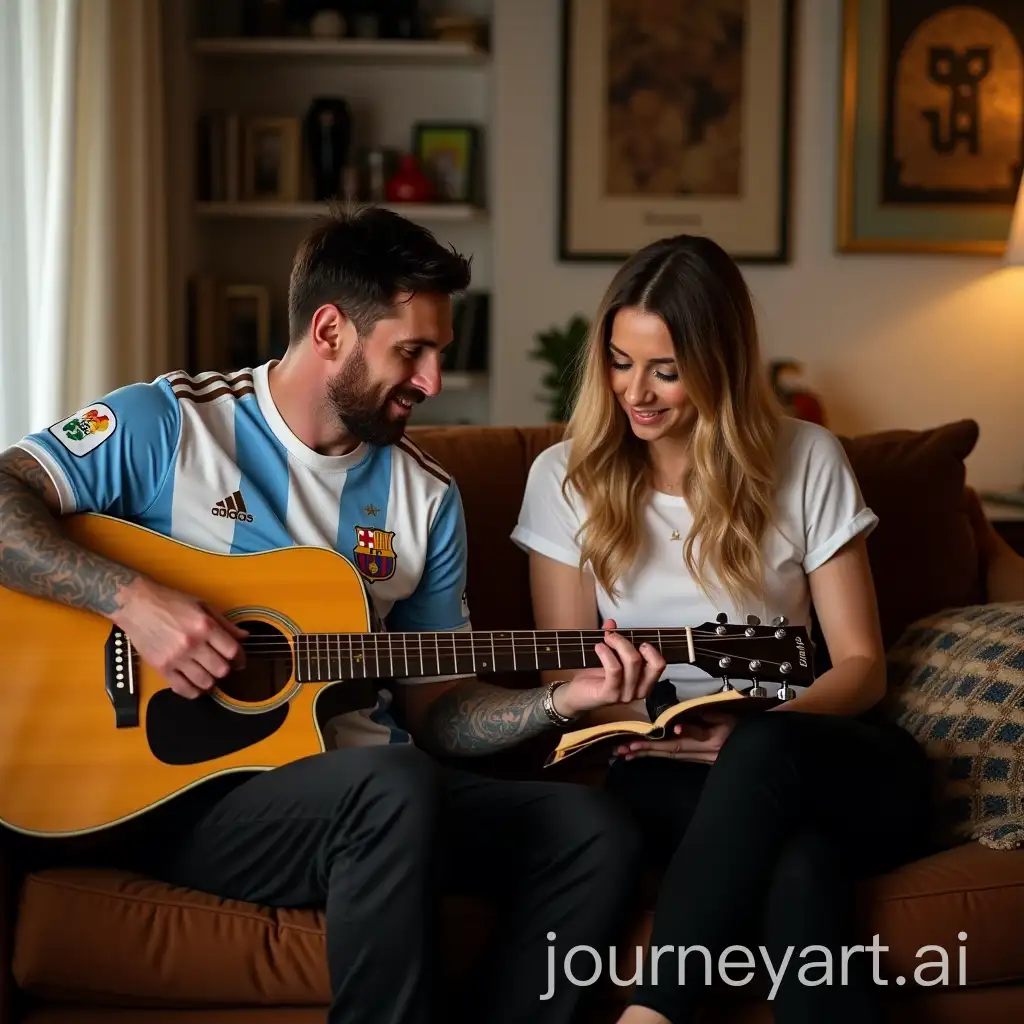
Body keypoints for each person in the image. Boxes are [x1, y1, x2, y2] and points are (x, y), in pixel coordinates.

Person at [0, 205, 644, 1024]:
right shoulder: (168, 425)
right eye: (411, 351)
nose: (432, 382)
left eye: (440, 353)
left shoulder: (426, 498)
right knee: (393, 785)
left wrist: (558, 701)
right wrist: (134, 601)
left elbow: (439, 713)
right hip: (188, 796)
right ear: (331, 330)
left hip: (376, 791)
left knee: (593, 827)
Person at [510, 234, 934, 1024]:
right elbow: (559, 680)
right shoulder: (562, 477)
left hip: (816, 754)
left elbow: (862, 664)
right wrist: (655, 724)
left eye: (666, 370)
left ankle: (652, 1013)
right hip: (658, 765)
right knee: (799, 868)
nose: (637, 392)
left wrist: (751, 732)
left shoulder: (808, 457)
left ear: (720, 362)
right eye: (620, 360)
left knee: (763, 750)